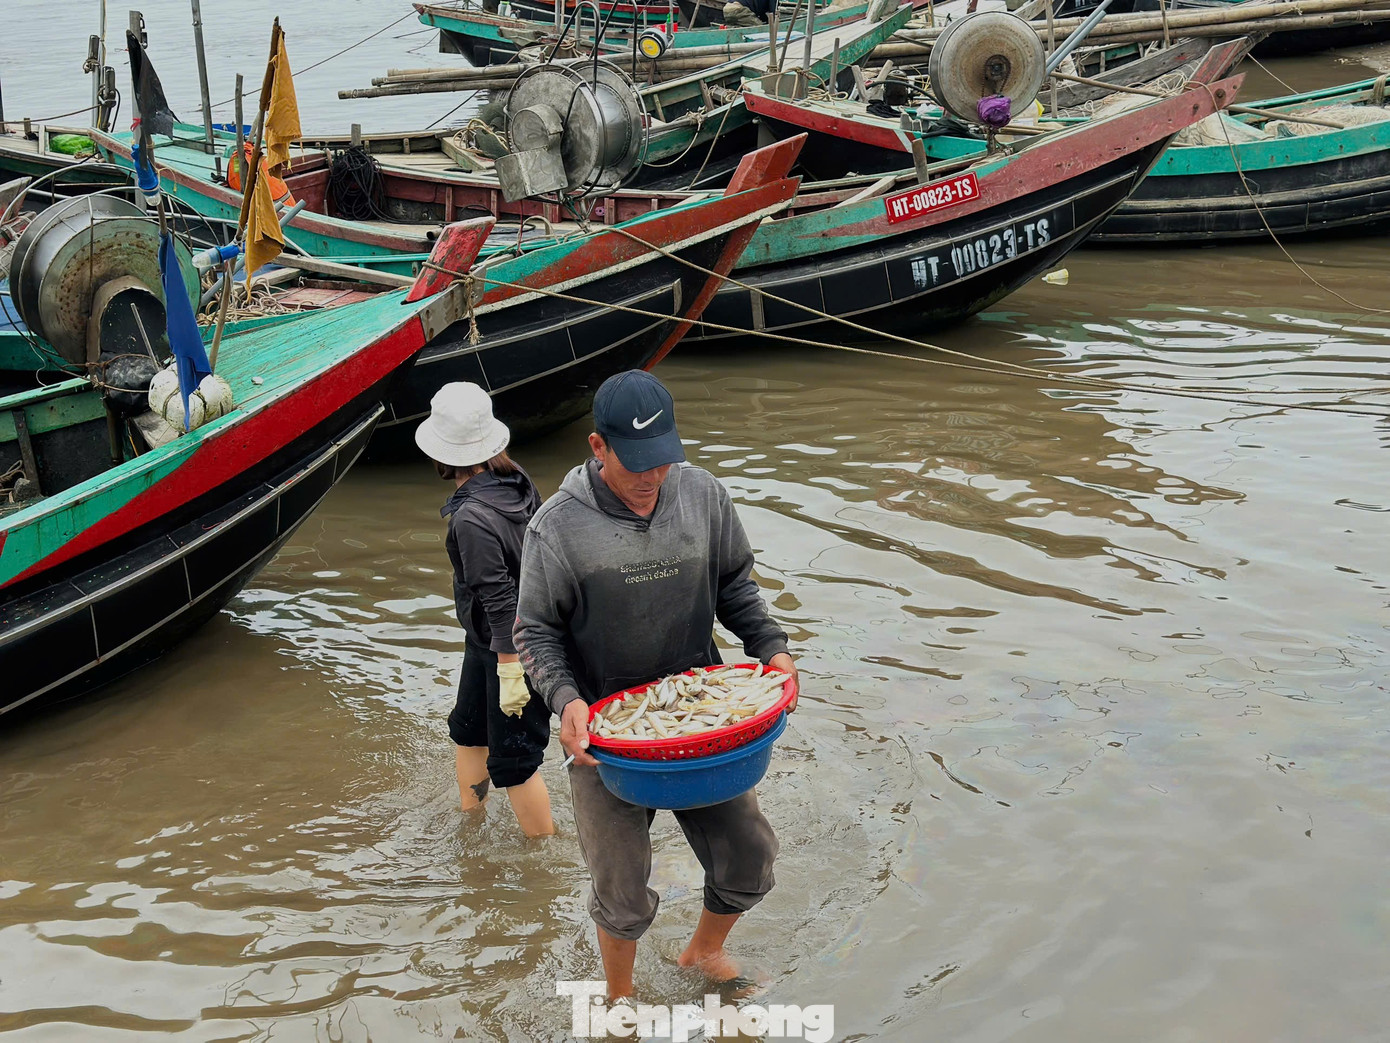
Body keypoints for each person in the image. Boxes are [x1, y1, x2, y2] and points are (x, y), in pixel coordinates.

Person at [514, 369, 799, 999]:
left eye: (662, 461)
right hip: (605, 734)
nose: (651, 478)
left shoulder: (702, 495)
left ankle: (704, 950)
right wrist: (566, 701)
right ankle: (620, 994)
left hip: (700, 713)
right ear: (598, 447)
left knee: (750, 855)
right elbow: (535, 632)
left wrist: (771, 647)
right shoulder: (556, 528)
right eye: (635, 463)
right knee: (619, 886)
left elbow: (736, 587)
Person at [415, 382, 554, 838]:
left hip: (510, 648)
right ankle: (469, 826)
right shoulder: (516, 480)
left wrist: (513, 672)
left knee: (514, 761)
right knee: (469, 729)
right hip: (488, 642)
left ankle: (544, 855)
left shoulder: (471, 519)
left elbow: (500, 601)